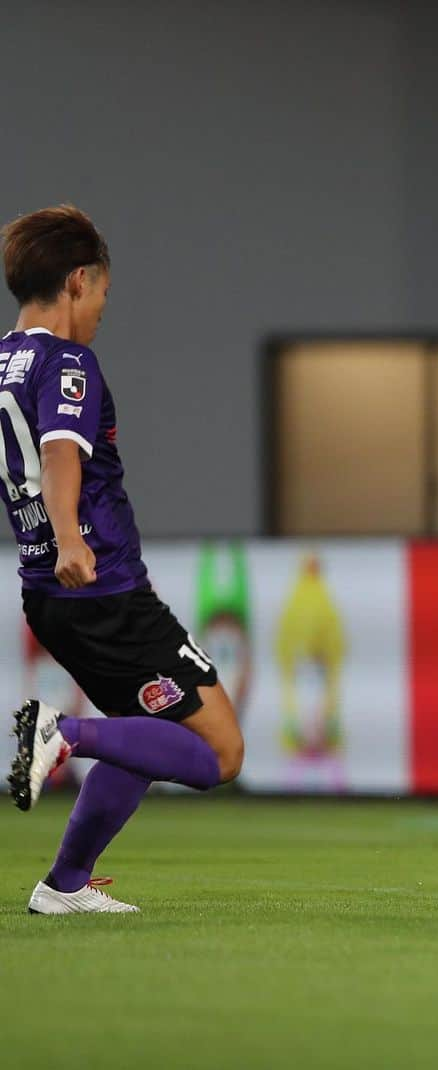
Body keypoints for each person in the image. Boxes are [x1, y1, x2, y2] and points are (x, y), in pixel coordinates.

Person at [2, 205, 244, 914]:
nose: (103, 308)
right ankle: (61, 733)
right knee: (217, 753)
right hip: (99, 587)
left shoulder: (3, 363)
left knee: (140, 736)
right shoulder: (67, 361)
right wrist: (72, 535)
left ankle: (66, 884)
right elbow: (59, 454)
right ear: (77, 280)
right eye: (102, 291)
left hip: (45, 592)